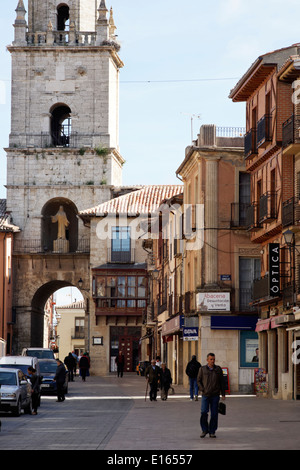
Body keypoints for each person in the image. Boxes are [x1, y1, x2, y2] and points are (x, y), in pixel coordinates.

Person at [197, 353, 225, 438]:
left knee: (214, 414)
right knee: (204, 412)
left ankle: (212, 431)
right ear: (207, 360)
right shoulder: (202, 369)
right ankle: (204, 430)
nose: (212, 361)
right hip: (206, 395)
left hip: (215, 395)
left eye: (213, 359)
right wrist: (202, 389)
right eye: (211, 359)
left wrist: (223, 394)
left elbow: (222, 382)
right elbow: (198, 380)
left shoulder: (218, 369)